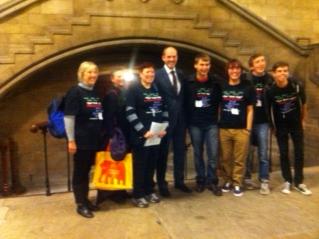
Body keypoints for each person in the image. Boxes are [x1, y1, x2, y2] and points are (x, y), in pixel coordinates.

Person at [64, 61, 103, 218]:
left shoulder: (93, 92)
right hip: (81, 141)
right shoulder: (75, 92)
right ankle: (81, 204)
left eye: (95, 72)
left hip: (94, 140)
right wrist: (71, 140)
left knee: (88, 171)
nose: (93, 75)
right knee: (80, 173)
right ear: (81, 74)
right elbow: (69, 117)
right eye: (89, 72)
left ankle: (86, 200)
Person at [125, 62, 168, 208]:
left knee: (151, 165)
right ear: (140, 74)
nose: (150, 75)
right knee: (140, 166)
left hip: (156, 135)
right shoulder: (134, 89)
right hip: (141, 136)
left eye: (152, 72)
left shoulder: (157, 89)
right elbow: (130, 112)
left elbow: (165, 109)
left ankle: (149, 191)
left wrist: (164, 127)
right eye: (147, 72)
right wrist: (143, 131)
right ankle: (138, 195)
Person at [267, 61, 312, 195]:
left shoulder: (296, 86)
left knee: (299, 152)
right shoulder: (270, 90)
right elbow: (268, 110)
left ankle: (299, 182)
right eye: (280, 71)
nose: (283, 73)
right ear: (274, 73)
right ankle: (287, 180)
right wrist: (272, 127)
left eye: (285, 70)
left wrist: (303, 120)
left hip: (296, 125)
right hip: (281, 127)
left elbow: (304, 105)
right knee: (284, 153)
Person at [154, 46, 192, 197]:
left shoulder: (181, 74)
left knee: (179, 152)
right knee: (162, 153)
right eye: (169, 57)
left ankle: (179, 181)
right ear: (163, 58)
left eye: (174, 56)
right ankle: (161, 183)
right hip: (164, 121)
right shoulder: (157, 75)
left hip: (181, 120)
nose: (171, 59)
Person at [184, 53, 222, 196]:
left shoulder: (215, 82)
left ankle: (212, 181)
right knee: (198, 154)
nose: (204, 67)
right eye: (201, 64)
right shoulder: (188, 82)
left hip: (211, 123)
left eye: (207, 65)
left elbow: (220, 102)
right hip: (195, 124)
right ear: (195, 65)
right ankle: (200, 180)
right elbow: (185, 104)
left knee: (212, 154)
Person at [219, 59, 255, 197]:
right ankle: (227, 180)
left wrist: (248, 129)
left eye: (237, 68)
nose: (234, 71)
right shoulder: (222, 85)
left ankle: (237, 183)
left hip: (241, 129)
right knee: (226, 158)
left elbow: (250, 109)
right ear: (227, 71)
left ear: (240, 70)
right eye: (231, 69)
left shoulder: (247, 87)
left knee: (239, 159)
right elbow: (218, 106)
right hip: (224, 129)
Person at [95, 69, 131, 205]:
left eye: (123, 76)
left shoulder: (122, 92)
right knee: (111, 162)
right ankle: (109, 193)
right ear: (112, 79)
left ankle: (119, 191)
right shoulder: (111, 94)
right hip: (115, 134)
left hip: (122, 133)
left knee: (120, 161)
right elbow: (109, 117)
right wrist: (110, 136)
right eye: (119, 76)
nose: (121, 78)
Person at [242, 54, 273, 194]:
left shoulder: (270, 79)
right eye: (258, 62)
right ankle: (247, 178)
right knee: (247, 152)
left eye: (263, 60)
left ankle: (264, 180)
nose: (261, 63)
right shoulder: (246, 78)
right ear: (251, 66)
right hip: (248, 120)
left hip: (263, 120)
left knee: (263, 153)